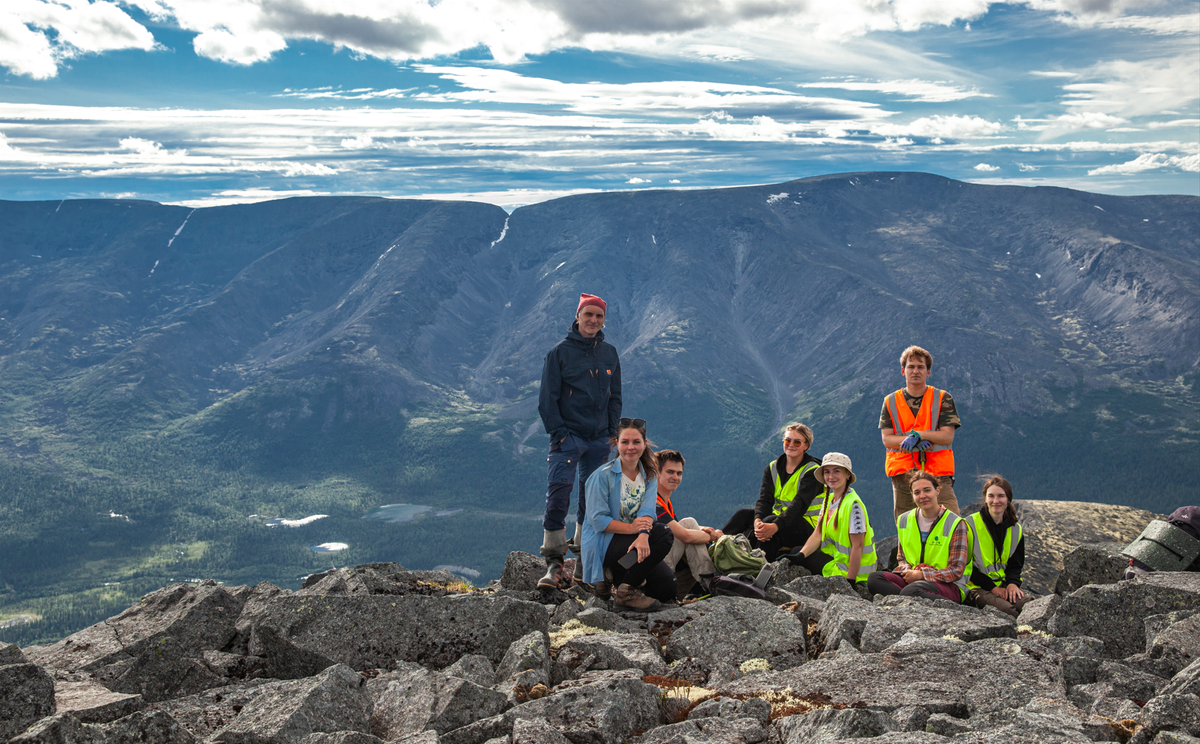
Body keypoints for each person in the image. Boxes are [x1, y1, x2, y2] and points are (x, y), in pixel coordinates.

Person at [537, 292, 622, 589]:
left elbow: (616, 396)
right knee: (559, 494)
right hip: (568, 438)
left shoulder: (610, 353)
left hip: (599, 441)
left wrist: (612, 432)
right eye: (588, 315)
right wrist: (560, 434)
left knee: (592, 500)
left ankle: (584, 563)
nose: (593, 321)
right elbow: (547, 400)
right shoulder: (559, 353)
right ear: (578, 317)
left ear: (603, 320)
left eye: (599, 316)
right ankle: (554, 563)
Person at [581, 418, 675, 612]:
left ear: (645, 443)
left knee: (667, 589)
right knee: (664, 534)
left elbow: (648, 512)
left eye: (636, 442)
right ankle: (625, 592)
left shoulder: (648, 475)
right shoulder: (601, 476)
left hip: (631, 542)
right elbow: (597, 520)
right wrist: (633, 529)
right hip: (604, 543)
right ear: (617, 443)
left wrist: (643, 535)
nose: (630, 447)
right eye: (625, 442)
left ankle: (614, 573)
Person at [880, 345, 961, 521]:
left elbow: (947, 436)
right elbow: (887, 439)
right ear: (903, 371)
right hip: (903, 477)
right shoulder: (890, 401)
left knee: (952, 523)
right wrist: (912, 439)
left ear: (928, 371)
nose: (915, 371)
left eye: (920, 367)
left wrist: (920, 435)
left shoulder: (943, 398)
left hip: (937, 474)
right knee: (906, 527)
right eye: (911, 366)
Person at [722, 423, 823, 562]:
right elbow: (765, 500)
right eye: (788, 440)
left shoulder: (813, 472)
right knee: (744, 515)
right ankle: (717, 544)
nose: (791, 444)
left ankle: (760, 567)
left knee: (768, 522)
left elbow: (799, 505)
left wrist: (775, 526)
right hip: (783, 519)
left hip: (809, 527)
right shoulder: (772, 468)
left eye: (797, 442)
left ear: (806, 446)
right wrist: (757, 520)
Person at [867, 470, 972, 602]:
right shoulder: (904, 520)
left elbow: (956, 570)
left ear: (937, 491)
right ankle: (910, 600)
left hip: (948, 585)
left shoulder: (955, 523)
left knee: (912, 591)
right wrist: (909, 571)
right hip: (915, 580)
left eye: (927, 490)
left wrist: (922, 575)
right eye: (917, 492)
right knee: (874, 579)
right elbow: (902, 557)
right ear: (912, 495)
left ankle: (906, 600)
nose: (923, 496)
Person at [785, 453, 876, 584]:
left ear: (847, 474)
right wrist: (800, 555)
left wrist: (850, 581)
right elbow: (818, 533)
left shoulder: (853, 505)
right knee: (797, 552)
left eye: (836, 471)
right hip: (837, 562)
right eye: (827, 472)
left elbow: (858, 545)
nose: (831, 476)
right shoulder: (829, 500)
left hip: (853, 572)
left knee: (799, 555)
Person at [654, 450, 722, 599]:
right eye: (670, 472)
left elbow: (677, 527)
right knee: (689, 525)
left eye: (679, 473)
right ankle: (710, 582)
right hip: (655, 570)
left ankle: (707, 581)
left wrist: (704, 529)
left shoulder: (665, 502)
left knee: (689, 524)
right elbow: (685, 536)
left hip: (664, 565)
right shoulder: (653, 503)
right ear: (657, 473)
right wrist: (713, 537)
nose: (675, 477)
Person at [964, 475, 1029, 617]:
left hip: (1003, 584)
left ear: (1008, 499)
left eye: (1001, 496)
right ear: (985, 498)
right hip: (975, 586)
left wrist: (1013, 584)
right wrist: (992, 588)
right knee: (1008, 611)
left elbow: (1015, 565)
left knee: (1029, 606)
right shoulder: (969, 525)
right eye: (991, 496)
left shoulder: (1015, 529)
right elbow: (964, 565)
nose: (996, 501)